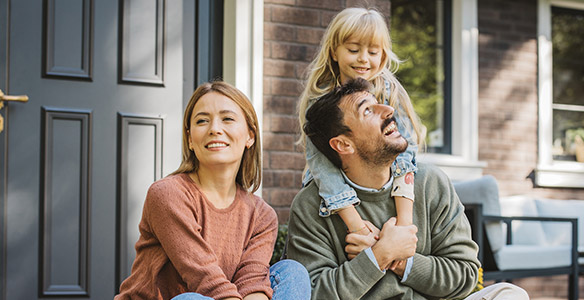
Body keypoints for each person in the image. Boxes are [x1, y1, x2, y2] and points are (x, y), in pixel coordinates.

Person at [287, 78, 529, 300]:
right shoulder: (311, 205)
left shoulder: (430, 182)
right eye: (368, 111)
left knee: (510, 294)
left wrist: (399, 260)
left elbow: (465, 275)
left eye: (379, 103)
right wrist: (378, 256)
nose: (389, 111)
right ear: (343, 144)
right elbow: (313, 293)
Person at [115, 81, 311, 300]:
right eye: (202, 121)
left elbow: (253, 283)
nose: (215, 129)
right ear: (190, 139)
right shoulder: (167, 194)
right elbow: (204, 278)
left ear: (250, 136)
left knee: (292, 273)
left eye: (227, 119)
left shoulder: (262, 215)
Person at [297, 7, 422, 266]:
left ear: (384, 55)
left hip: (390, 189)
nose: (363, 59)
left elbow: (404, 152)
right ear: (334, 51)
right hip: (335, 192)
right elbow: (322, 169)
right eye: (353, 50)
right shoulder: (320, 102)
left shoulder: (388, 93)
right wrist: (357, 226)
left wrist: (403, 224)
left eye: (373, 52)